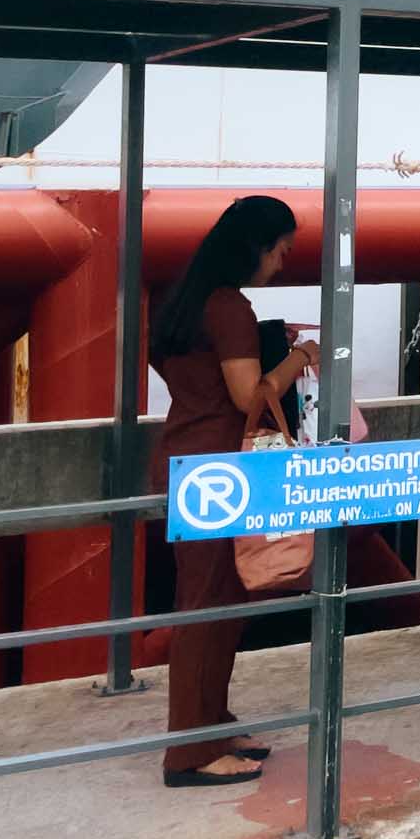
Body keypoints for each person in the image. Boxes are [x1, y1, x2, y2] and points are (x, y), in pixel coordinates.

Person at [147, 195, 318, 788]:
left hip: (187, 460)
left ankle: (211, 723)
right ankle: (189, 753)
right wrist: (299, 357)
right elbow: (250, 396)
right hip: (226, 470)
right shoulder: (229, 308)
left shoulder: (182, 302)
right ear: (256, 246)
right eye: (281, 251)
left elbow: (197, 377)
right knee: (206, 607)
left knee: (218, 598)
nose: (281, 263)